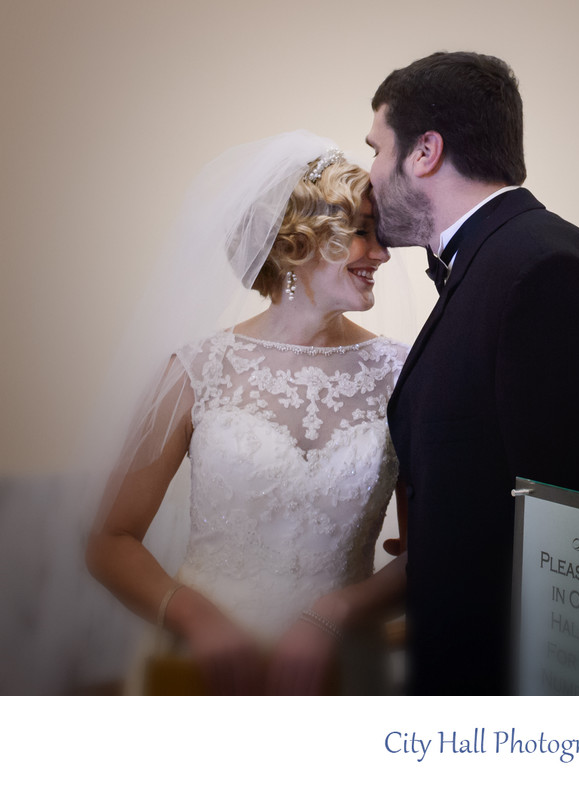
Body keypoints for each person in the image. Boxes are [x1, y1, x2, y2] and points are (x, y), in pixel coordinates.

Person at [366, 51, 579, 695]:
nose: (371, 173)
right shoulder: (498, 261)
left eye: (377, 148)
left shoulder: (542, 273)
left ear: (424, 152)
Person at [86, 131, 408, 695]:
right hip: (202, 675)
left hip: (341, 679)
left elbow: (427, 555)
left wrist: (334, 614)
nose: (381, 253)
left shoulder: (401, 374)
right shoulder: (197, 369)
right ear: (297, 241)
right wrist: (197, 620)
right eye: (361, 232)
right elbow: (111, 540)